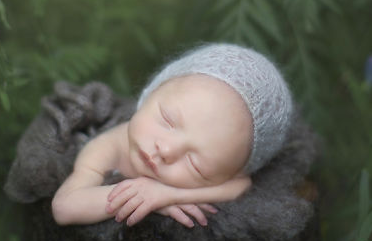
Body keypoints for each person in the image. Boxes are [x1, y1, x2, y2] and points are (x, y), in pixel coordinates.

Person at [51, 43, 293, 228]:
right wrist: (137, 196)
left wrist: (165, 195)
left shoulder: (234, 174)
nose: (166, 151)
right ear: (152, 92)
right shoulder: (110, 147)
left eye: (196, 164)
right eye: (167, 121)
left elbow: (241, 184)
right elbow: (65, 207)